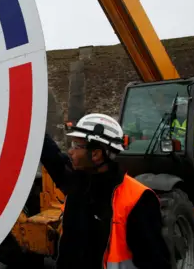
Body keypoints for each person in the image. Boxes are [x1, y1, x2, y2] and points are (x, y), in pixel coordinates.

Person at [41, 113, 171, 269]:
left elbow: (154, 261)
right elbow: (52, 156)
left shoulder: (138, 200)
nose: (70, 151)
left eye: (76, 146)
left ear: (96, 154)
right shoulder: (78, 182)